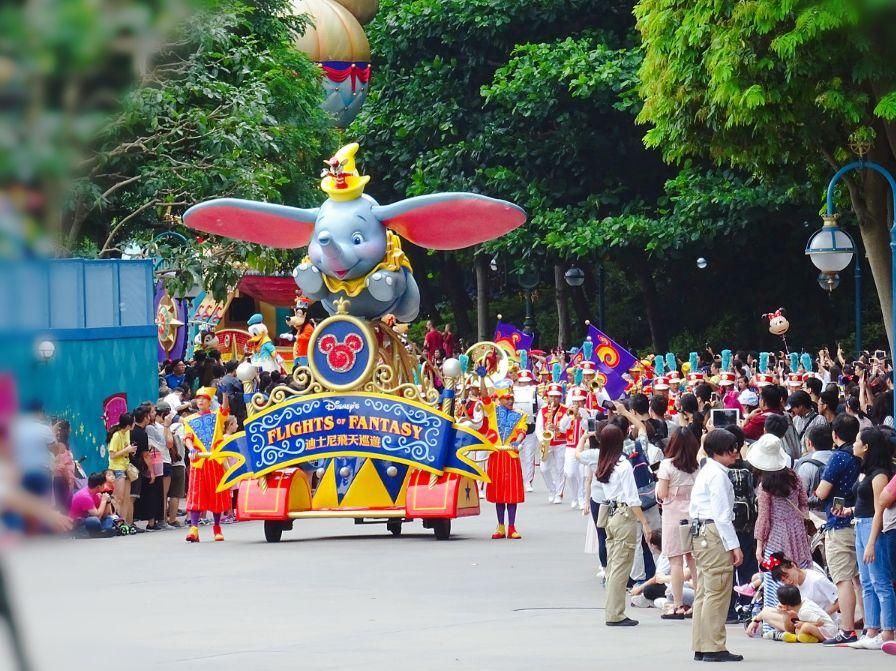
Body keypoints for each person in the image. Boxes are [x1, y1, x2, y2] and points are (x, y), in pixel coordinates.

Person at [747, 433, 812, 633]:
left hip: (775, 537)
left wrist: (759, 546)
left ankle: (772, 625)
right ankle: (801, 621)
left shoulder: (765, 486)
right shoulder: (795, 477)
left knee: (773, 578)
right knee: (798, 575)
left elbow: (764, 518)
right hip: (797, 534)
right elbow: (804, 504)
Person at [689, 429, 744, 663]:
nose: (736, 452)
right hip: (714, 532)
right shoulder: (718, 475)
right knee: (717, 591)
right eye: (732, 448)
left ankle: (702, 644)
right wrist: (734, 546)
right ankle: (713, 645)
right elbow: (722, 516)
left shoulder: (707, 470)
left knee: (705, 591)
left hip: (701, 532)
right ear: (721, 451)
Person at [841, 427, 896, 649]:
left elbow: (879, 511)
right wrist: (850, 511)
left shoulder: (880, 474)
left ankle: (887, 631)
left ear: (866, 447)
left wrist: (872, 541)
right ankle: (872, 628)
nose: (854, 444)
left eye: (857, 441)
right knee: (866, 581)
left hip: (873, 527)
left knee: (880, 581)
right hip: (861, 523)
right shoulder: (867, 471)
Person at [597, 424, 651, 627]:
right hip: (624, 515)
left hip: (611, 515)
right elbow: (632, 498)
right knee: (621, 567)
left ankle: (612, 610)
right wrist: (644, 522)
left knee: (613, 566)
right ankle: (615, 613)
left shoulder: (604, 463)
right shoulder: (623, 465)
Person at [815, 413, 862, 645]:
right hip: (860, 520)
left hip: (839, 522)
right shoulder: (862, 456)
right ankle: (871, 625)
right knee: (860, 579)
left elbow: (822, 492)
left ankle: (847, 629)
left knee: (843, 579)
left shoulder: (839, 458)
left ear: (835, 435)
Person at [656, 427, 699, 619]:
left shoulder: (666, 465)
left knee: (675, 561)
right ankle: (699, 603)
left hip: (673, 516)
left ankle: (678, 604)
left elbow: (662, 493)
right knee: (693, 560)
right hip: (693, 515)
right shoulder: (697, 466)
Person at [183, 387, 232, 542]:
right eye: (198, 398)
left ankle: (217, 527)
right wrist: (191, 449)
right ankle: (194, 528)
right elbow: (188, 437)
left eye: (204, 398)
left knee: (217, 494)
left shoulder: (217, 416)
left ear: (209, 402)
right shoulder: (189, 420)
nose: (200, 401)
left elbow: (225, 409)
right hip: (199, 462)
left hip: (215, 460)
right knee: (196, 494)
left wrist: (225, 394)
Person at [481, 387, 528, 539]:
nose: (510, 401)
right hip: (496, 455)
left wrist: (517, 442)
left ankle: (512, 527)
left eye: (511, 398)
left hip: (510, 456)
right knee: (499, 493)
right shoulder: (492, 410)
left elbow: (522, 431)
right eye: (507, 398)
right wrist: (482, 379)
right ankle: (500, 526)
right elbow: (484, 397)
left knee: (512, 493)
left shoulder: (520, 414)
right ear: (500, 400)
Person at [747, 582, 837, 643]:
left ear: (786, 605)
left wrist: (803, 623)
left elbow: (821, 622)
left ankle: (795, 638)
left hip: (828, 633)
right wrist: (756, 620)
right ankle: (800, 637)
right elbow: (767, 610)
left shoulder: (804, 611)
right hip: (817, 627)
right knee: (799, 628)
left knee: (805, 627)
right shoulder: (802, 602)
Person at [766, 552, 839, 614]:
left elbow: (839, 599)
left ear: (793, 565)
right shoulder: (792, 586)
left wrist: (824, 615)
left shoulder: (816, 579)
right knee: (767, 612)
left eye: (787, 576)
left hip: (823, 621)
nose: (788, 581)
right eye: (783, 580)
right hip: (805, 618)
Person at [132, 405, 163, 531]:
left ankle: (131, 521)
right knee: (140, 495)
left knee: (133, 496)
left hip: (130, 467)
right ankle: (147, 522)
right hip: (139, 468)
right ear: (145, 418)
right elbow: (146, 455)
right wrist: (152, 471)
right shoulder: (142, 434)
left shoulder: (130, 431)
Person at [535, 383, 567, 504]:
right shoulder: (543, 410)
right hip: (547, 442)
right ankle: (552, 489)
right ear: (547, 397)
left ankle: (559, 493)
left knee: (560, 469)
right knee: (544, 469)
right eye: (551, 396)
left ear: (560, 397)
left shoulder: (566, 410)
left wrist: (558, 428)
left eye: (556, 397)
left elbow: (568, 428)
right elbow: (538, 428)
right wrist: (542, 440)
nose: (554, 399)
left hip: (561, 443)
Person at [106, 413, 135, 526]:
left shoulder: (127, 433)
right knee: (119, 497)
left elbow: (126, 448)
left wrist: (131, 450)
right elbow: (112, 455)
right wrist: (126, 450)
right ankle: (116, 522)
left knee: (127, 497)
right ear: (128, 425)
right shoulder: (116, 436)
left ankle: (124, 522)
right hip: (117, 468)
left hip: (126, 466)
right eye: (132, 423)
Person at [794, 424, 834, 501]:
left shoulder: (806, 466)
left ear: (809, 443)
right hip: (837, 507)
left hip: (813, 507)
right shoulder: (840, 461)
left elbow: (800, 495)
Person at [69, 471, 116, 537]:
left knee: (108, 518)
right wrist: (103, 501)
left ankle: (100, 532)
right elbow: (97, 517)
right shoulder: (84, 496)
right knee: (94, 520)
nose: (105, 486)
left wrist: (107, 502)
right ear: (99, 486)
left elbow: (105, 515)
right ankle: (98, 532)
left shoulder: (95, 494)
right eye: (104, 484)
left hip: (88, 519)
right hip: (77, 523)